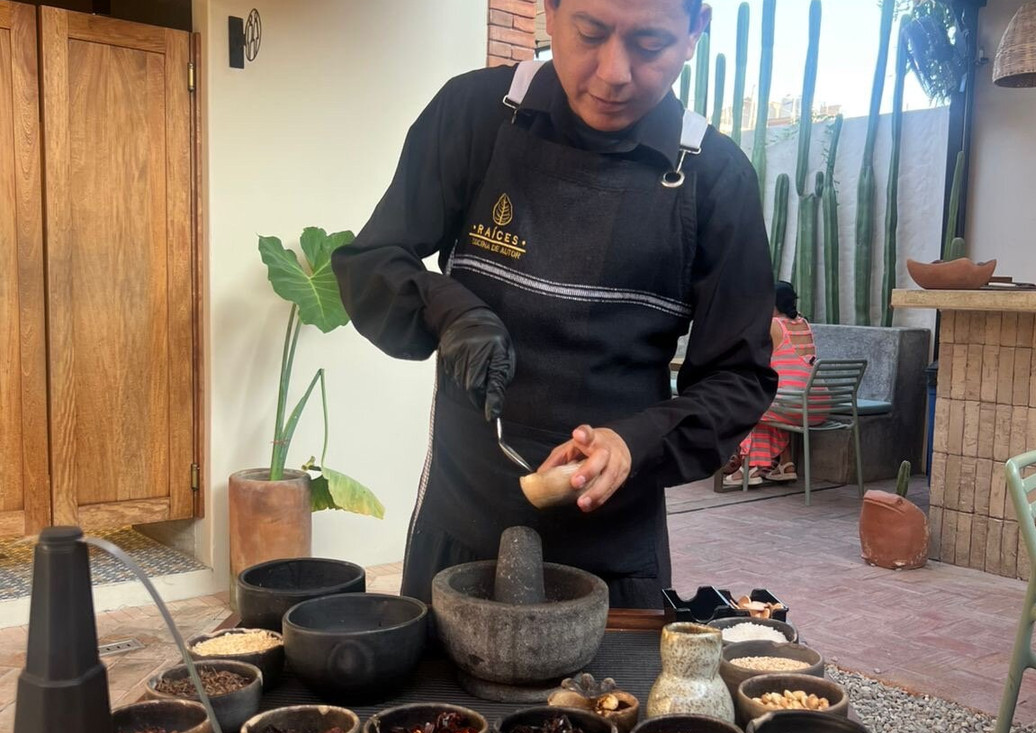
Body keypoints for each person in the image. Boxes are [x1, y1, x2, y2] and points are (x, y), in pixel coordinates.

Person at [332, 0, 777, 609]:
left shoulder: (716, 177)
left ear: (696, 31)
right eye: (590, 32)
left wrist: (633, 443)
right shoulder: (477, 113)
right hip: (459, 528)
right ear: (549, 10)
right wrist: (447, 308)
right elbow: (372, 261)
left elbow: (739, 376)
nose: (614, 73)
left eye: (650, 45)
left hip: (616, 557)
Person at [722, 281, 818, 488]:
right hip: (816, 405)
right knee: (767, 404)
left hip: (793, 404)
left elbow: (751, 357)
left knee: (745, 404)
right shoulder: (804, 323)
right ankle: (785, 464)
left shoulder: (774, 325)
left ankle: (749, 467)